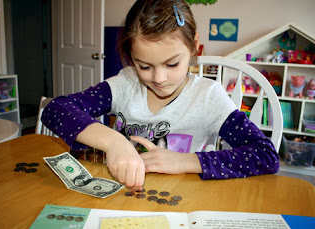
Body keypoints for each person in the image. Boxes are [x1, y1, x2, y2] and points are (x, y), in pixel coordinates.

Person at [42, 0, 279, 191]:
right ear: (131, 55)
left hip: (179, 197)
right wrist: (114, 142)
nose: (159, 78)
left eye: (172, 64)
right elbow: (56, 109)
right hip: (120, 193)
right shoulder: (126, 83)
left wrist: (184, 161)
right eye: (144, 66)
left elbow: (265, 155)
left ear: (194, 45)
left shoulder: (207, 97)